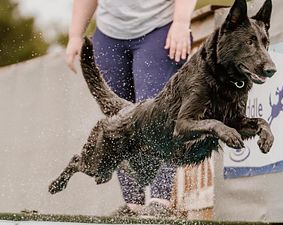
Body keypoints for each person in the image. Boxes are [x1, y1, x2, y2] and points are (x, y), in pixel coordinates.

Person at [65, 0, 197, 218]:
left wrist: (181, 22)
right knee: (117, 116)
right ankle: (133, 204)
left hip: (159, 27)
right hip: (110, 35)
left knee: (157, 115)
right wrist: (75, 36)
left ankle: (160, 201)